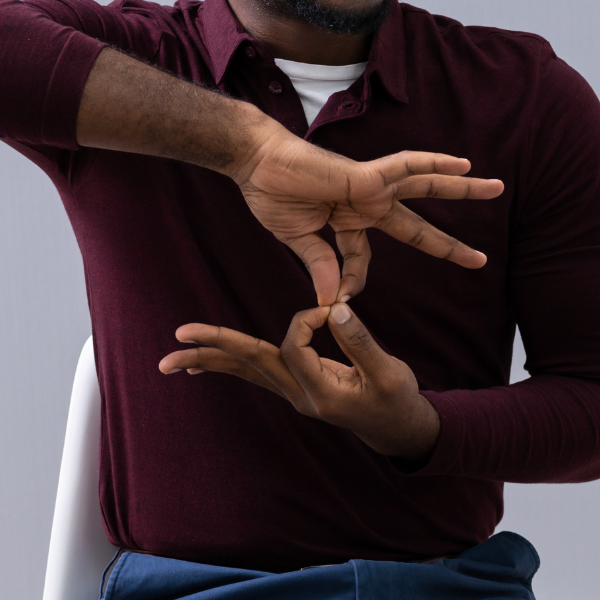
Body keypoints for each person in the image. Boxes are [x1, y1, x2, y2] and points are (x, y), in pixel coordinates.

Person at [1, 0, 599, 598]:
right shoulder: (134, 54)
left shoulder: (522, 94)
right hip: (195, 588)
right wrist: (243, 145)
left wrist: (422, 429)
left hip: (448, 584)